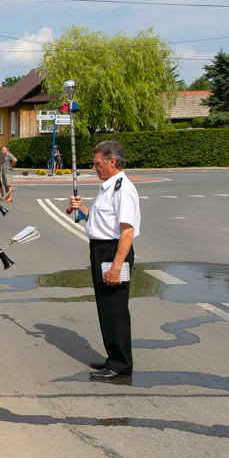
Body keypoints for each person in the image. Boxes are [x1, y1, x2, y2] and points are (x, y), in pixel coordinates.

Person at [68, 140, 141, 380]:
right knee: (105, 308)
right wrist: (84, 210)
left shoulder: (123, 188)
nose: (94, 168)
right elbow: (103, 223)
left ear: (112, 161)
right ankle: (113, 358)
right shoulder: (108, 186)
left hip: (113, 253)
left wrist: (117, 267)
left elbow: (126, 232)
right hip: (101, 250)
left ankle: (121, 364)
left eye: (97, 164)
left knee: (115, 310)